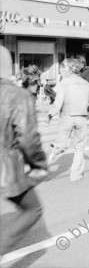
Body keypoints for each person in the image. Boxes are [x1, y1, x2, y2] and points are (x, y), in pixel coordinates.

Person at [0, 46, 49, 257]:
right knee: (33, 209)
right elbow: (28, 138)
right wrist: (39, 165)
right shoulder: (17, 96)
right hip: (5, 168)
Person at [47, 58, 89, 182]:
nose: (61, 69)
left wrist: (50, 115)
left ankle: (47, 163)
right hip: (81, 118)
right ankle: (76, 175)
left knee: (61, 144)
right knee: (80, 147)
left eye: (63, 66)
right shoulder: (85, 83)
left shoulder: (64, 83)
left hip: (66, 117)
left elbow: (58, 104)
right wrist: (88, 108)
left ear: (70, 69)